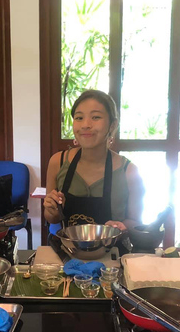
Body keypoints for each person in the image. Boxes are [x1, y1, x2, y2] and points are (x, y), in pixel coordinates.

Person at [44, 90, 144, 233]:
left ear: (112, 125)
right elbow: (52, 218)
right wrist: (51, 211)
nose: (85, 124)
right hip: (68, 251)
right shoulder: (57, 162)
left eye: (96, 117)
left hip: (112, 252)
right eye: (79, 118)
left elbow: (135, 222)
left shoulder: (129, 171)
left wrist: (120, 226)